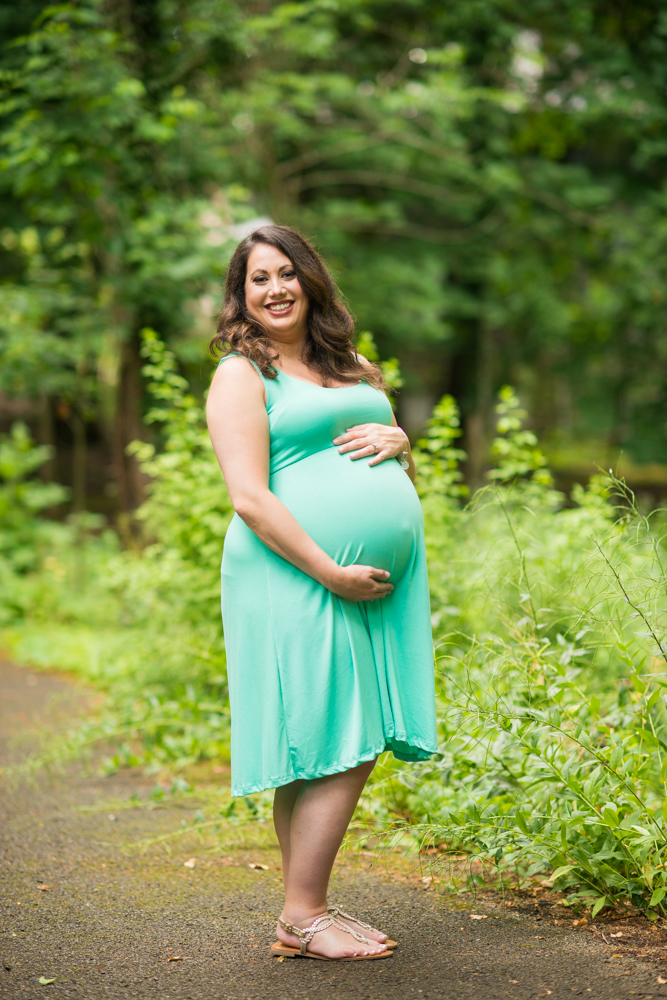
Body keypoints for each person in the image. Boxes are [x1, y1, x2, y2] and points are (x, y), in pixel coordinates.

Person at [206, 225, 437, 961]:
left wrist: (403, 443)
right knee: (339, 737)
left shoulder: (352, 366)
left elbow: (381, 452)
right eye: (257, 280)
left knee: (322, 737)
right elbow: (249, 495)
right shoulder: (241, 375)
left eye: (285, 274)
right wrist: (328, 569)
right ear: (241, 297)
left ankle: (306, 910)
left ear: (310, 280)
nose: (274, 289)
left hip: (358, 581)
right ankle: (303, 915)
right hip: (290, 572)